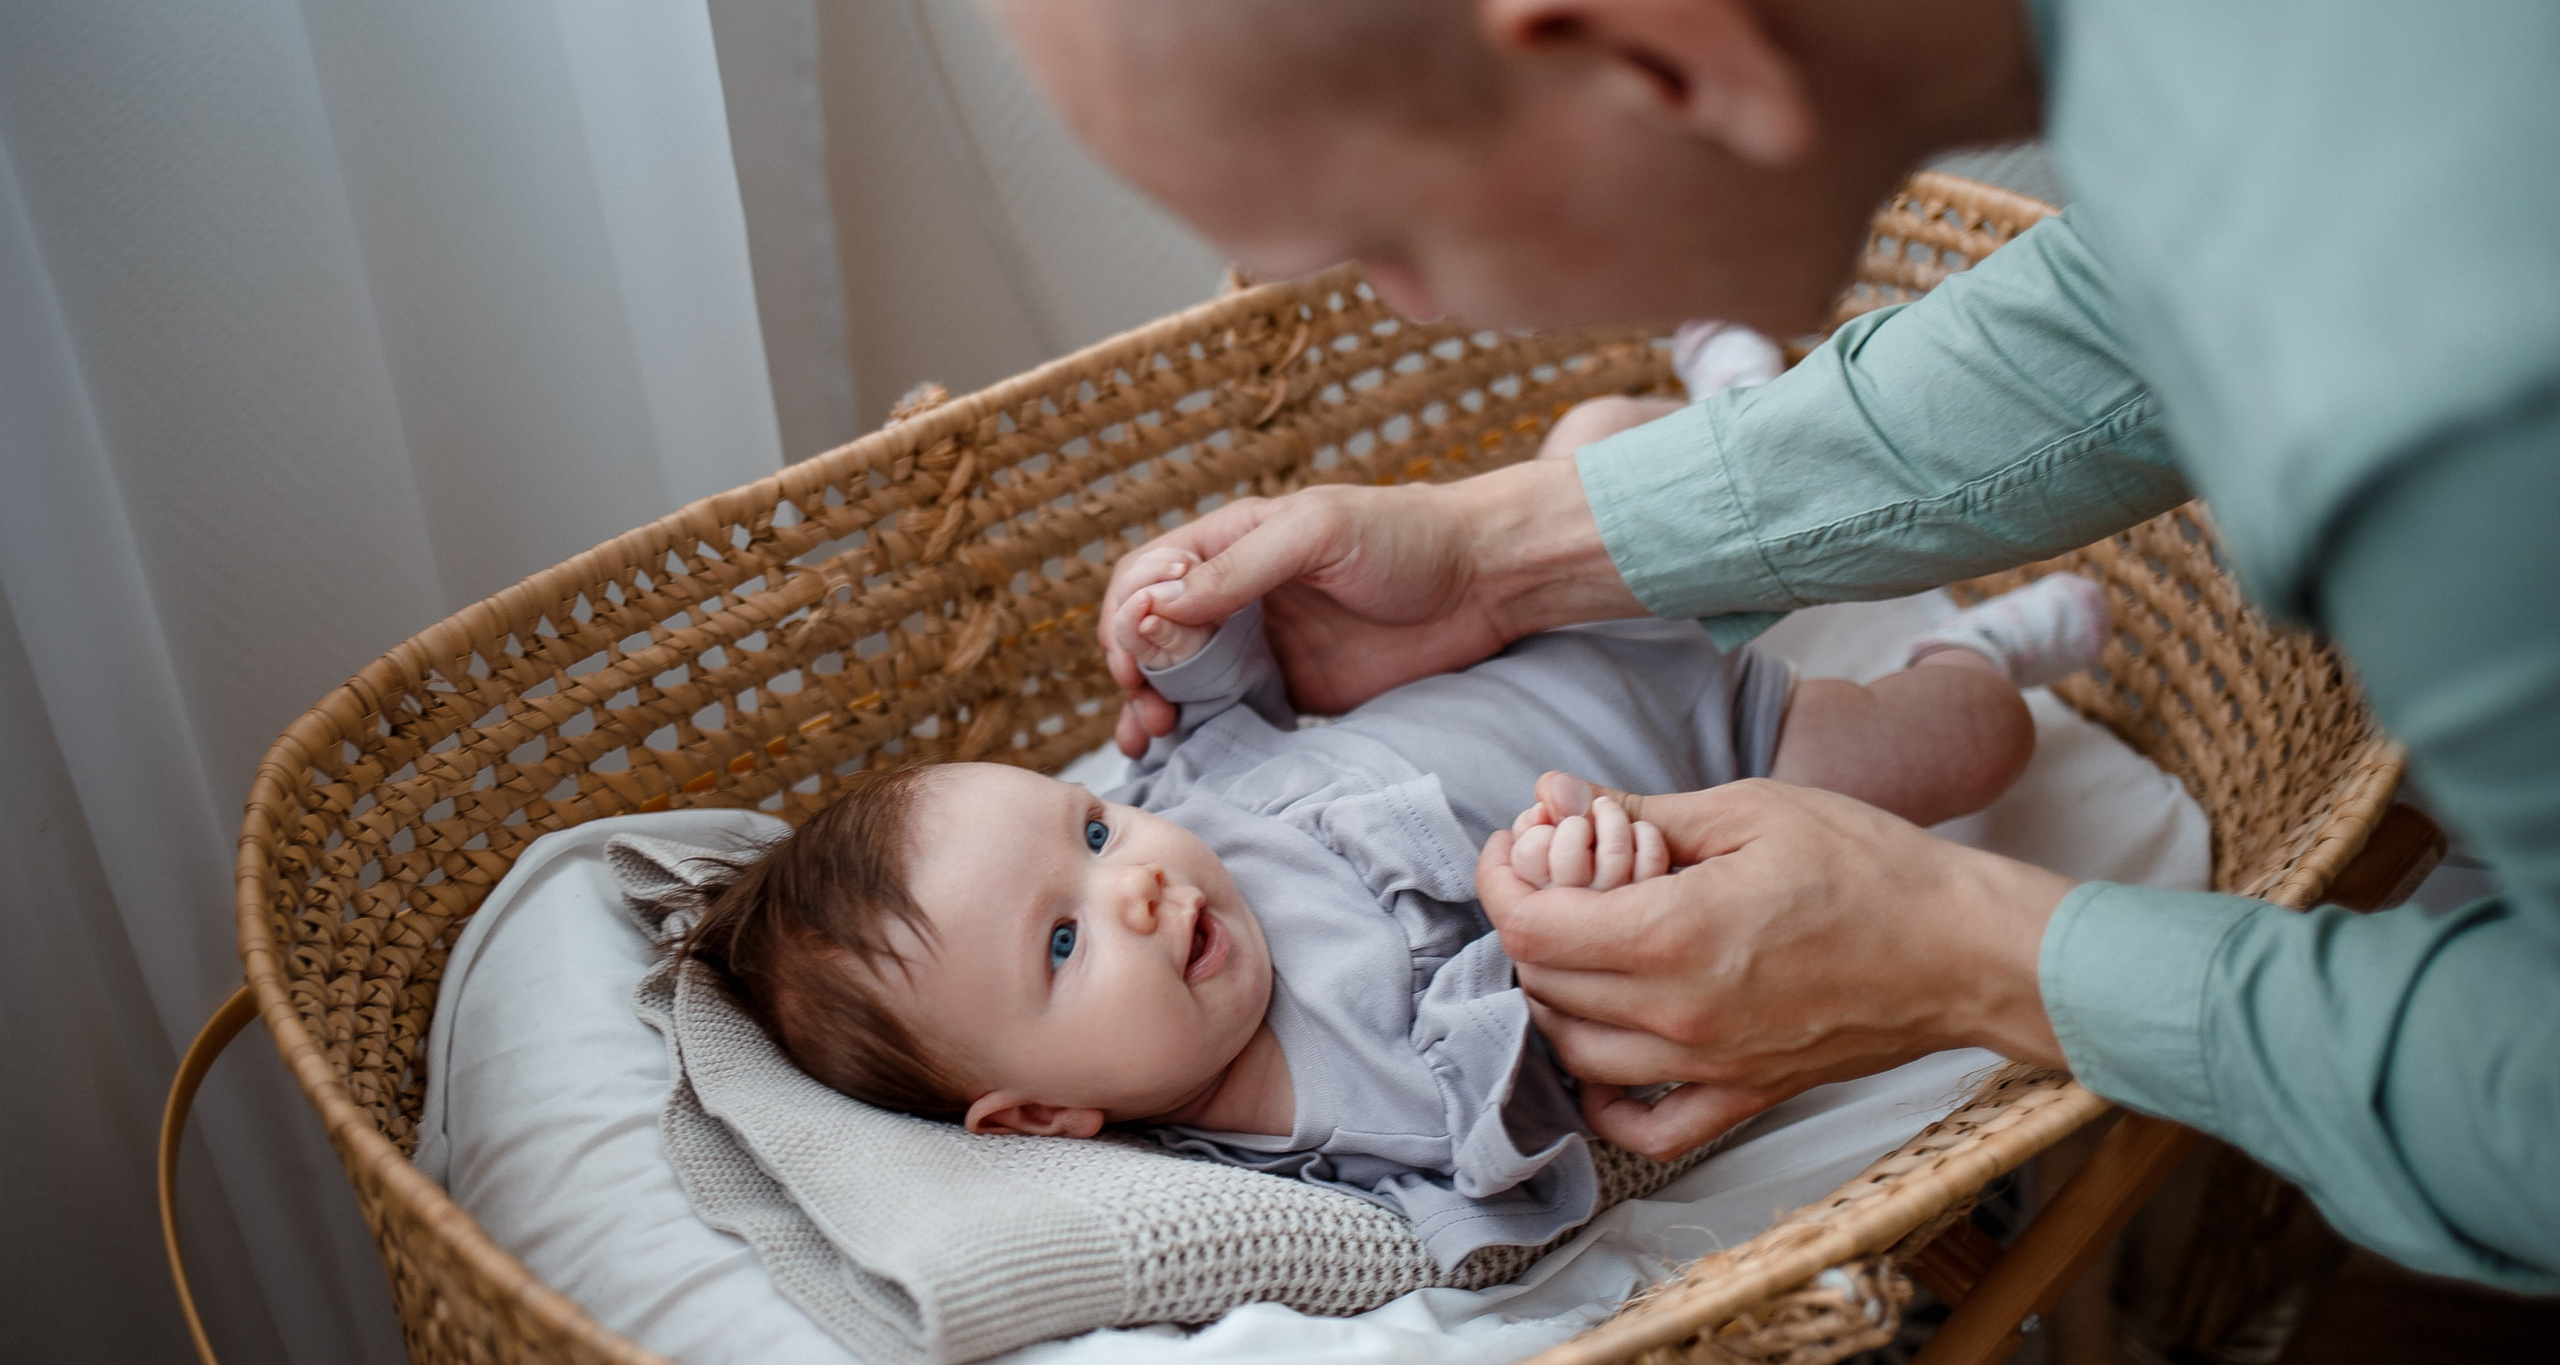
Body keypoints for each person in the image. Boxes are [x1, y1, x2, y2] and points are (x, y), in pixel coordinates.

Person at [991, 0, 2560, 1289]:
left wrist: (1969, 952)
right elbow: (2127, 318)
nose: (1400, 303)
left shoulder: (2443, 395)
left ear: (1657, 57)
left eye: (1384, 241)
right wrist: (1508, 552)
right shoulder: (2261, 101)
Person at [682, 551, 2097, 1266]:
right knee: (1961, 749)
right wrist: (1556, 931)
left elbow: (1227, 708)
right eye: (1063, 942)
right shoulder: (1341, 1100)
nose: (1138, 881)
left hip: (1529, 617)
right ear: (1042, 1117)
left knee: (1605, 442)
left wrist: (1196, 624)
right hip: (1728, 754)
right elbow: (1518, 1124)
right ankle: (1972, 642)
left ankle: (1735, 400)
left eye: (1094, 828)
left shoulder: (1188, 822)